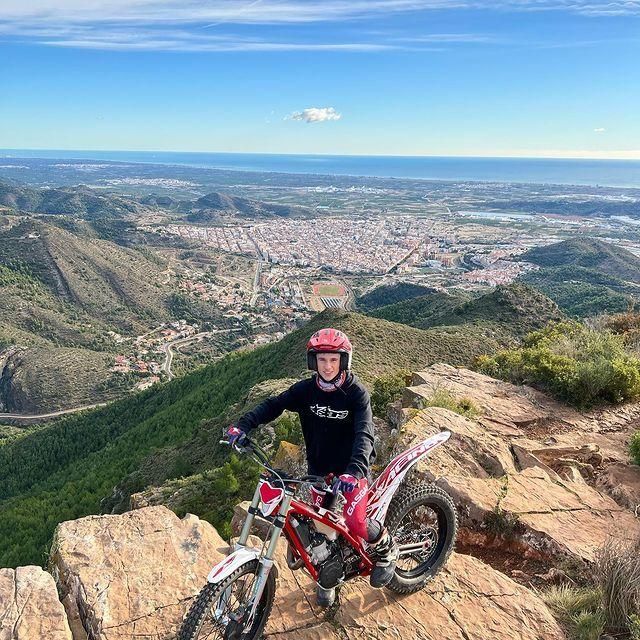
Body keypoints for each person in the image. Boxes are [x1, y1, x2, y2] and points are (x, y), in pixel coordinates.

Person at [226, 327, 398, 607]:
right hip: (320, 471)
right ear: (313, 361)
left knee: (355, 522)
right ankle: (328, 576)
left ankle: (387, 548)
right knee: (321, 528)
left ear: (344, 361)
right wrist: (243, 425)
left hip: (350, 473)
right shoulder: (305, 391)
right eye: (321, 360)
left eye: (333, 360)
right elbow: (274, 405)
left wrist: (355, 472)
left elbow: (364, 434)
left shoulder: (356, 394)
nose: (327, 366)